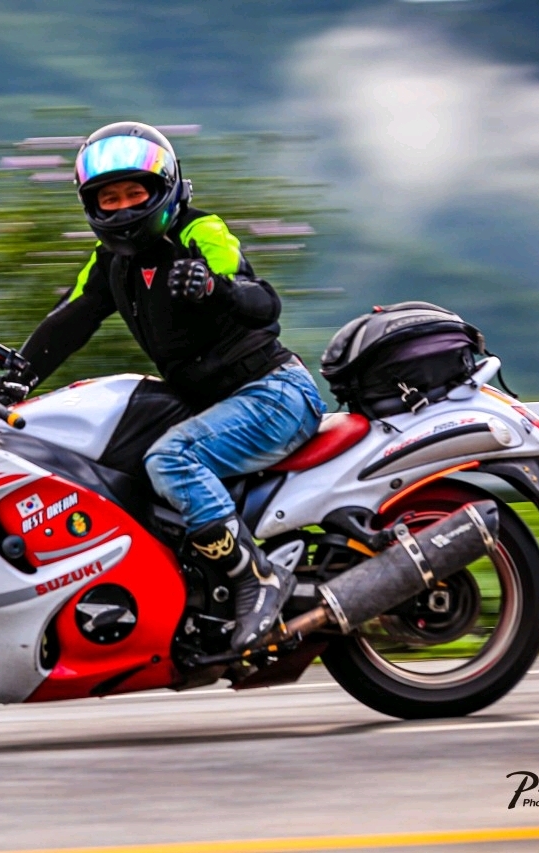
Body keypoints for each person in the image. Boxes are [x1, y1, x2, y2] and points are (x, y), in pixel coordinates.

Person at [19, 122, 325, 652]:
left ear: (164, 189)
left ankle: (257, 579)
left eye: (134, 193)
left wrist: (214, 287)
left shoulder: (200, 231)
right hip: (211, 404)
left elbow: (261, 299)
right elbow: (67, 323)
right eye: (108, 198)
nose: (122, 208)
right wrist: (4, 378)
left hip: (272, 393)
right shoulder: (112, 263)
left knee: (171, 459)